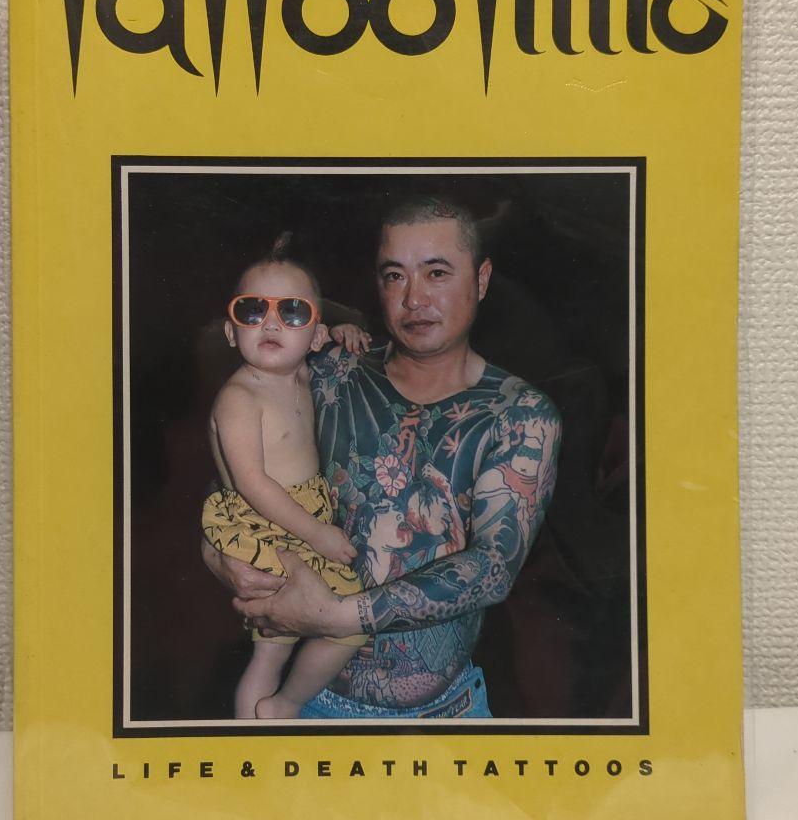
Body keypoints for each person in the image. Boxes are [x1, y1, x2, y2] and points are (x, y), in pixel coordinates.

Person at [203, 198, 561, 718]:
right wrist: (217, 556)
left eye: (436, 273)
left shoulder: (520, 415)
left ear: (481, 279)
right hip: (313, 708)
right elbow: (241, 473)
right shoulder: (329, 375)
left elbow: (493, 567)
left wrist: (336, 616)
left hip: (446, 716)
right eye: (395, 276)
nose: (414, 298)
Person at [202, 248, 368, 719]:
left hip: (299, 513)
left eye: (292, 311)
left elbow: (332, 335)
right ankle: (267, 718)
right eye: (252, 310)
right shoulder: (239, 398)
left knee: (328, 628)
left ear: (315, 335)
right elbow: (251, 484)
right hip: (266, 520)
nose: (271, 323)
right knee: (283, 645)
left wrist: (345, 330)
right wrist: (317, 533)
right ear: (231, 331)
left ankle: (280, 704)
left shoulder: (300, 371)